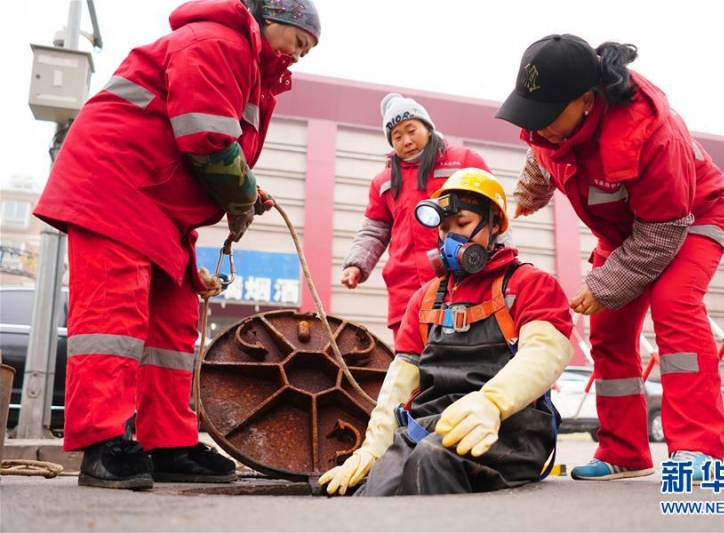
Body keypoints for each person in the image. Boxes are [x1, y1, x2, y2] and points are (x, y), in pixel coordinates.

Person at [32, 0, 321, 490]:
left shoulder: (249, 67)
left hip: (158, 204)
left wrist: (245, 189)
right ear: (273, 20)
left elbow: (217, 144)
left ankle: (166, 442)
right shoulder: (217, 42)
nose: (300, 55)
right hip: (117, 185)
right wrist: (243, 198)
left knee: (172, 325)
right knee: (112, 318)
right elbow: (206, 137)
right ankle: (103, 444)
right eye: (299, 42)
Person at [495, 34, 724, 482]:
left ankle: (698, 449)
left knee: (675, 307)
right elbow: (542, 152)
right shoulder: (551, 122)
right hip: (625, 231)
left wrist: (608, 284)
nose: (538, 126)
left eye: (546, 115)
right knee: (608, 330)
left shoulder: (650, 134)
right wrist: (531, 193)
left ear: (587, 100)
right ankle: (624, 451)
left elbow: (664, 230)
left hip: (688, 217)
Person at [320, 168, 574, 496]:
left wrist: (492, 404)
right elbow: (399, 383)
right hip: (429, 426)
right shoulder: (425, 298)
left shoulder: (529, 285)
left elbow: (544, 354)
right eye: (444, 228)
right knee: (379, 483)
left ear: (495, 224)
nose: (451, 238)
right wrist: (372, 449)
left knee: (431, 460)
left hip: (508, 430)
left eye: (463, 224)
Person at [341, 93, 506, 343]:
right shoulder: (383, 182)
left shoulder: (463, 162)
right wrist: (355, 264)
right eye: (397, 136)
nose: (406, 141)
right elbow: (374, 230)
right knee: (410, 360)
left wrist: (504, 260)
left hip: (463, 280)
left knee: (471, 351)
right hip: (405, 288)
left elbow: (494, 212)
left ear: (428, 128)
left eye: (411, 130)